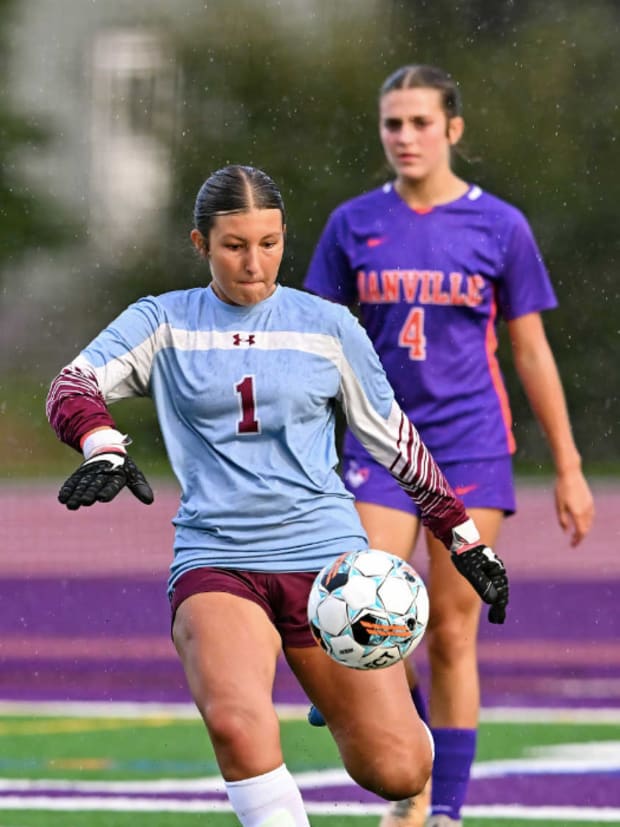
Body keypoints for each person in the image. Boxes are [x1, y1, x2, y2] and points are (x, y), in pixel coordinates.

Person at [46, 164, 509, 827]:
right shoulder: (163, 321)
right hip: (219, 560)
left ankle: (340, 690)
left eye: (268, 243)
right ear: (201, 244)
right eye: (234, 246)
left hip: (329, 571)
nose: (254, 263)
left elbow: (395, 439)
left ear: (285, 236)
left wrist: (464, 541)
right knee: (237, 724)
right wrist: (103, 445)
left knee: (400, 770)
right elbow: (71, 384)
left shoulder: (328, 325)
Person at [303, 65, 594, 827]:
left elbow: (530, 350)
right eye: (392, 123)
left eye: (420, 122)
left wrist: (568, 465)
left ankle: (444, 810)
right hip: (382, 445)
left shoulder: (500, 226)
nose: (405, 136)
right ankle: (410, 779)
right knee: (369, 611)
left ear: (453, 130)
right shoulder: (353, 223)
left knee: (453, 631)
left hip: (471, 448)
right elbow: (314, 344)